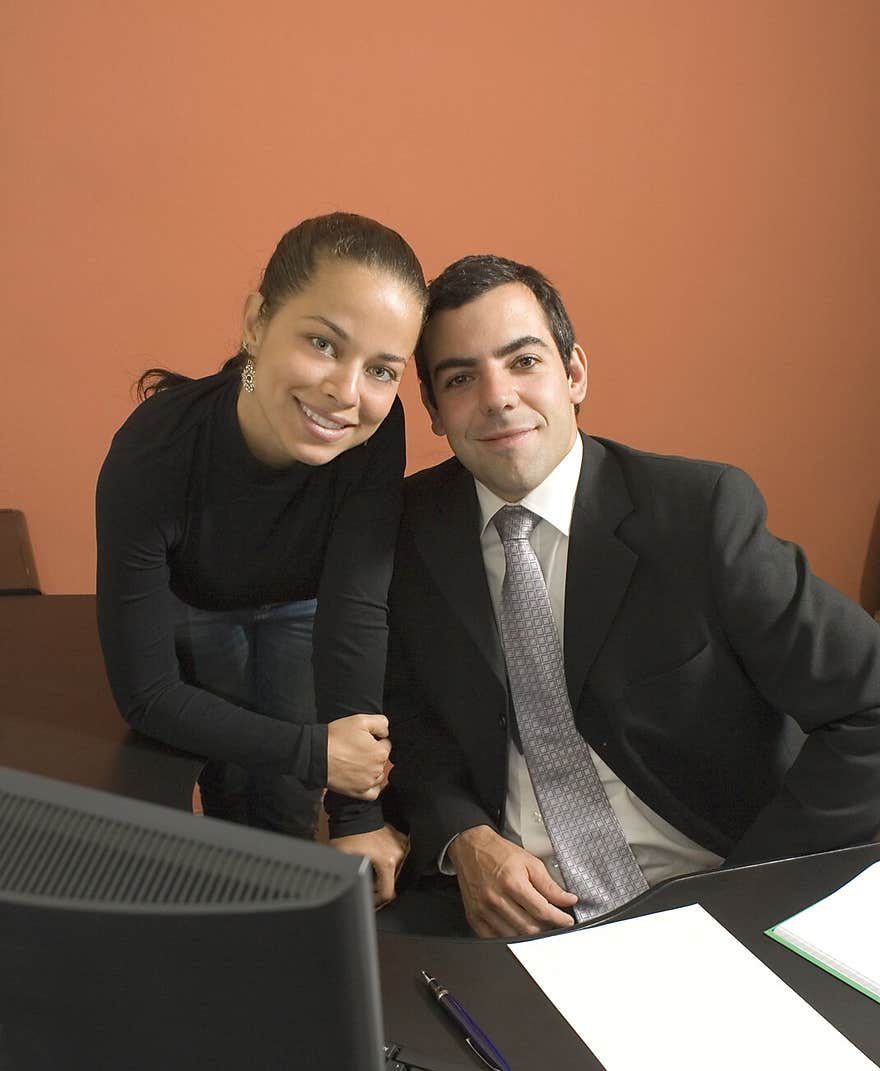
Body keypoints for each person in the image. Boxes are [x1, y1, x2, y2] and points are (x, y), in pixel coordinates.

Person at [382, 253, 880, 938]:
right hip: (510, 912)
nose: (497, 397)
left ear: (575, 373)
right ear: (434, 412)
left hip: (714, 888)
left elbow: (870, 705)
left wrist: (747, 894)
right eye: (461, 377)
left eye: (523, 361)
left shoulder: (700, 515)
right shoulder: (408, 531)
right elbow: (407, 725)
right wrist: (463, 836)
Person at [96, 212, 426, 899]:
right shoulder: (153, 453)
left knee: (284, 806)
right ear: (255, 323)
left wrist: (356, 815)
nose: (346, 391)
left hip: (307, 603)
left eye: (381, 369)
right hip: (198, 599)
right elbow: (148, 694)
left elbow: (356, 607)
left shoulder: (374, 426)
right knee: (227, 783)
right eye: (321, 343)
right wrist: (312, 749)